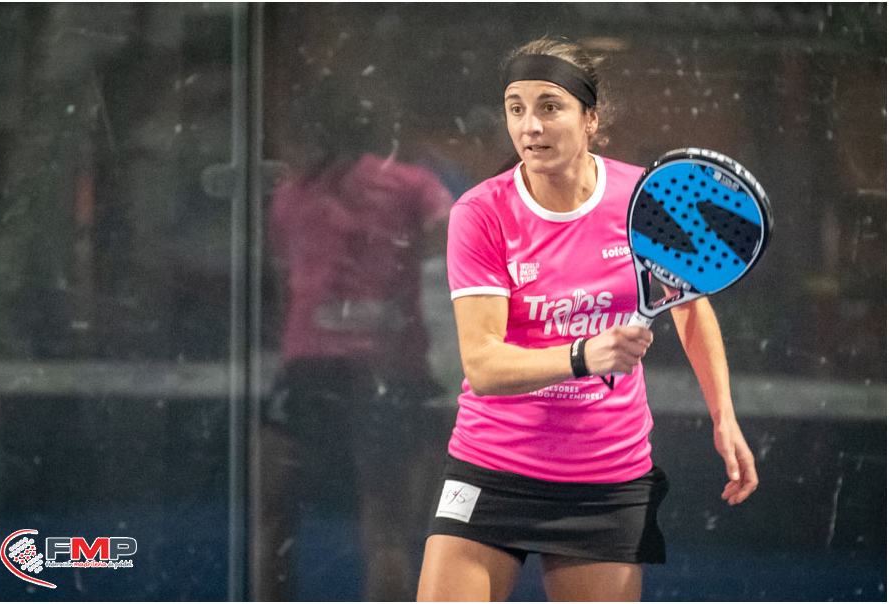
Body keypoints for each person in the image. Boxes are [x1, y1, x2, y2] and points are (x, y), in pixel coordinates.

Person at [416, 37, 759, 602]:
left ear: (590, 119)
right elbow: (483, 366)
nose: (530, 126)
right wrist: (583, 355)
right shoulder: (480, 214)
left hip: (607, 476)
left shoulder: (645, 199)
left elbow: (691, 307)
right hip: (493, 463)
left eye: (550, 106)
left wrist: (724, 417)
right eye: (516, 108)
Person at [255, 89, 455, 601]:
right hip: (388, 371)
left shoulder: (291, 195)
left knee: (273, 520)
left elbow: (284, 293)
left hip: (312, 371)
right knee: (387, 533)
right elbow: (456, 255)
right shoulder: (414, 185)